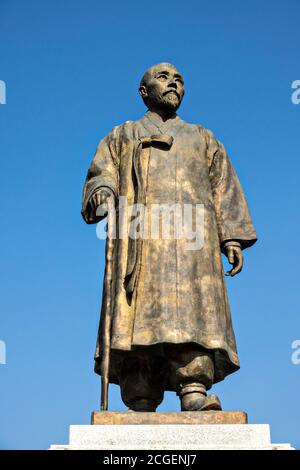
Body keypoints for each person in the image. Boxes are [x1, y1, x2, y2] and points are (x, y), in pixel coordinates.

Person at [81, 63, 257, 412]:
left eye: (179, 79)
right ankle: (140, 395)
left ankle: (194, 390)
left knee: (194, 319)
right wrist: (101, 192)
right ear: (143, 92)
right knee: (138, 324)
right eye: (163, 77)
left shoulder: (204, 138)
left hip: (194, 247)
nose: (173, 83)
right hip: (140, 241)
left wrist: (231, 237)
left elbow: (224, 187)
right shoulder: (122, 135)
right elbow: (101, 174)